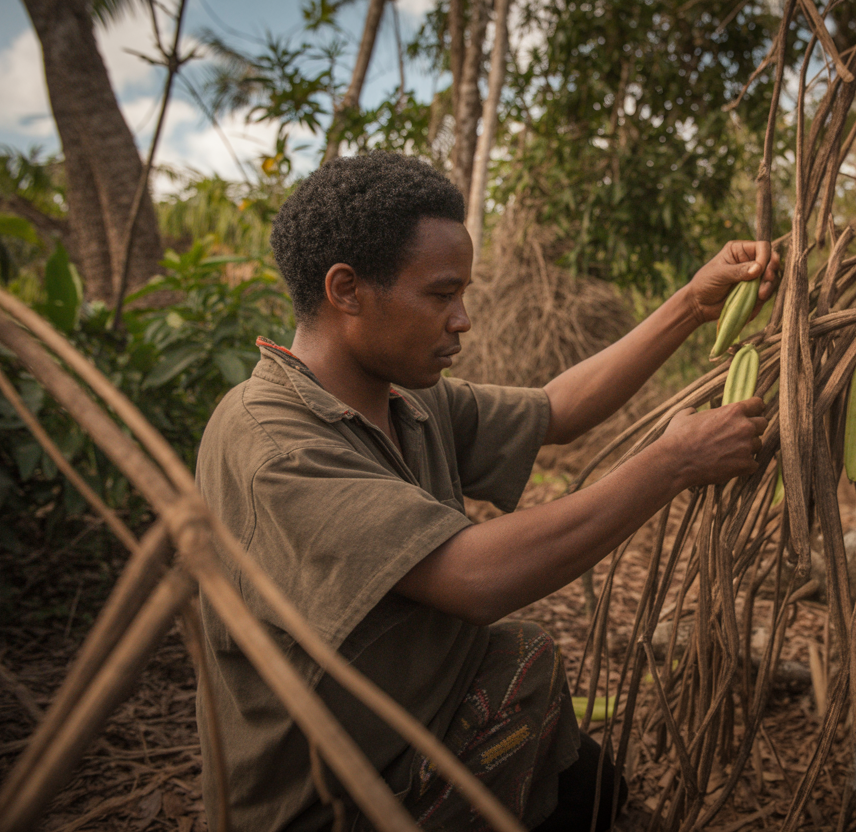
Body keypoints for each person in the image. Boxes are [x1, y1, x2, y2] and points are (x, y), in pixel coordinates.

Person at [194, 152, 778, 832]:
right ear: (346, 290)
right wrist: (673, 463)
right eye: (442, 295)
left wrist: (692, 304)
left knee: (602, 798)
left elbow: (557, 410)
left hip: (432, 721)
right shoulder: (274, 446)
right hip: (345, 798)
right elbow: (477, 576)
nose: (463, 319)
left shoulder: (404, 400)